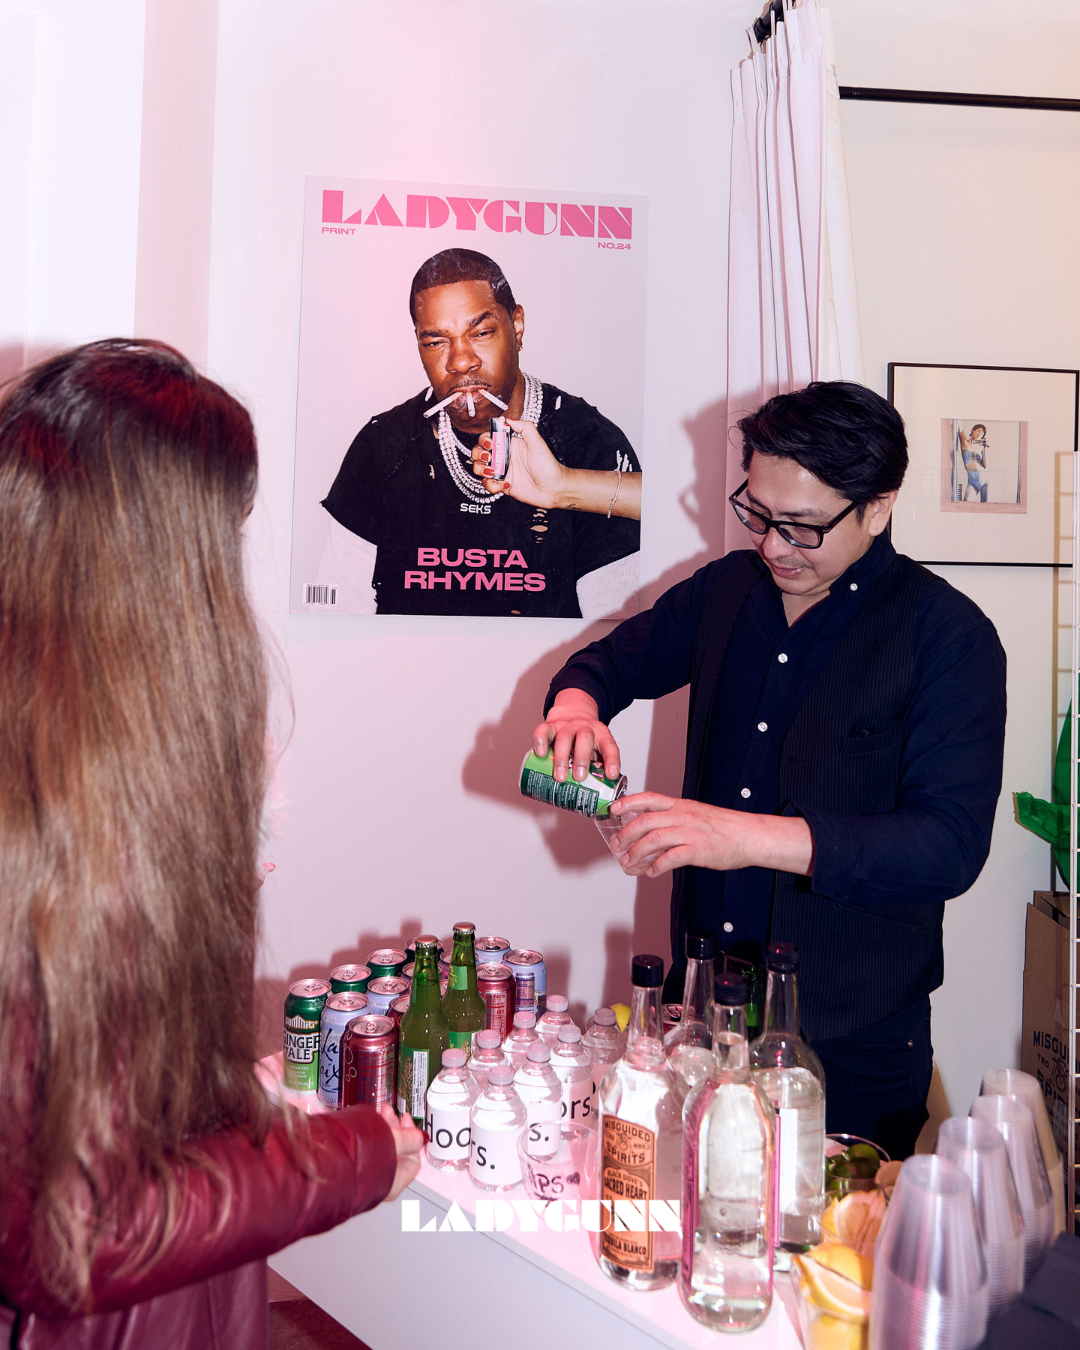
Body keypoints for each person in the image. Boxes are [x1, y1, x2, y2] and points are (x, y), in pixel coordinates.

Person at [0, 341, 423, 1348]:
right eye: (224, 535)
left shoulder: (72, 759)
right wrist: (357, 1157)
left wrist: (231, 1097)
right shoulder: (85, 826)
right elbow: (80, 1233)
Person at [533, 381, 1006, 1159]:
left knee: (834, 1231)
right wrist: (577, 707)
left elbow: (947, 846)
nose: (774, 547)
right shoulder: (726, 590)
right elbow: (605, 664)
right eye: (757, 513)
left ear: (878, 508)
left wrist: (740, 837)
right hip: (702, 1012)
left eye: (803, 527)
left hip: (849, 1038)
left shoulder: (947, 636)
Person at [317, 247, 642, 618]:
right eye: (435, 341)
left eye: (482, 332)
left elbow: (620, 631)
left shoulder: (590, 443)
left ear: (516, 326)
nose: (460, 361)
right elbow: (336, 612)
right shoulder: (382, 447)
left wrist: (566, 487)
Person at [958, 422, 989, 502]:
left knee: (986, 506)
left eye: (982, 434)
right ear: (973, 430)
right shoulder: (965, 443)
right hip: (972, 482)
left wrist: (984, 448)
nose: (980, 434)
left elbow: (985, 465)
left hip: (985, 480)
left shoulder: (980, 448)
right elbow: (960, 428)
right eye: (979, 431)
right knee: (966, 504)